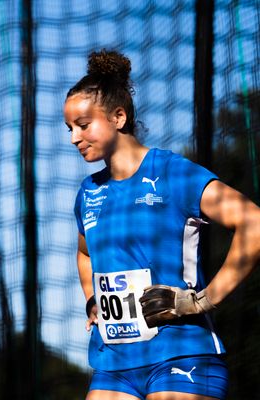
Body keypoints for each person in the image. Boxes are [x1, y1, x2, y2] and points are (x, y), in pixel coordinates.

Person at [66, 49, 260, 400]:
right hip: (113, 365)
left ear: (118, 117)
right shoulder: (88, 193)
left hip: (182, 355)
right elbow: (84, 254)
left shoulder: (173, 173)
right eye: (69, 129)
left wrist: (202, 301)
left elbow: (254, 223)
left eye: (83, 125)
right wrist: (92, 299)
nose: (73, 138)